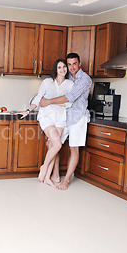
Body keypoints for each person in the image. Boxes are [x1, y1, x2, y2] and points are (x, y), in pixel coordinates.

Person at [39, 53, 92, 190]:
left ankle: (66, 180)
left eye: (74, 64)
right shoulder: (66, 77)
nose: (71, 67)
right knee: (51, 143)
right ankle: (55, 174)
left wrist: (49, 101)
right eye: (69, 64)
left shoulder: (85, 79)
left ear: (79, 63)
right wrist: (39, 101)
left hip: (77, 117)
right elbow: (50, 91)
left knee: (73, 148)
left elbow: (70, 97)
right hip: (63, 117)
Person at [18, 59, 74, 187]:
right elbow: (38, 98)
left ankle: (47, 176)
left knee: (53, 146)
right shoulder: (47, 82)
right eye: (59, 67)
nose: (62, 69)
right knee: (57, 144)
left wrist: (49, 101)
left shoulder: (70, 84)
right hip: (47, 116)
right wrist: (28, 110)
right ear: (56, 69)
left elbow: (69, 103)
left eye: (64, 67)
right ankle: (44, 168)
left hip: (60, 118)